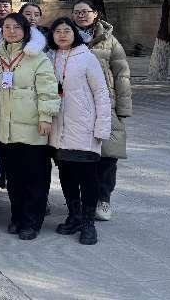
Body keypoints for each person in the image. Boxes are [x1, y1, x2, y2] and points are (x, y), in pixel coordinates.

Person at [0, 12, 59, 240]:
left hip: (32, 129)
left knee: (34, 178)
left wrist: (46, 116)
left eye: (16, 27)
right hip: (6, 130)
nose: (11, 31)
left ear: (26, 30)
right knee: (14, 179)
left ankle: (31, 221)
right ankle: (17, 217)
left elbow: (48, 90)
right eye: (7, 27)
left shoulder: (37, 57)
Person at [46, 17, 112, 245]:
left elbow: (101, 93)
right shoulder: (50, 58)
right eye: (58, 31)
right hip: (59, 130)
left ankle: (88, 222)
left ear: (75, 34)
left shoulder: (87, 57)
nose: (62, 35)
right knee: (66, 176)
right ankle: (73, 216)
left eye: (67, 31)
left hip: (84, 128)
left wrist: (102, 126)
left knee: (87, 178)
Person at [72, 0, 132, 221]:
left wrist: (123, 109)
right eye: (77, 12)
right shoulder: (66, 37)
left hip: (106, 105)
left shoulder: (110, 41)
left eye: (85, 11)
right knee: (79, 157)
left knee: (108, 156)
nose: (81, 15)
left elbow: (122, 75)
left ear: (95, 13)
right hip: (76, 107)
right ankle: (82, 199)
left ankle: (103, 199)